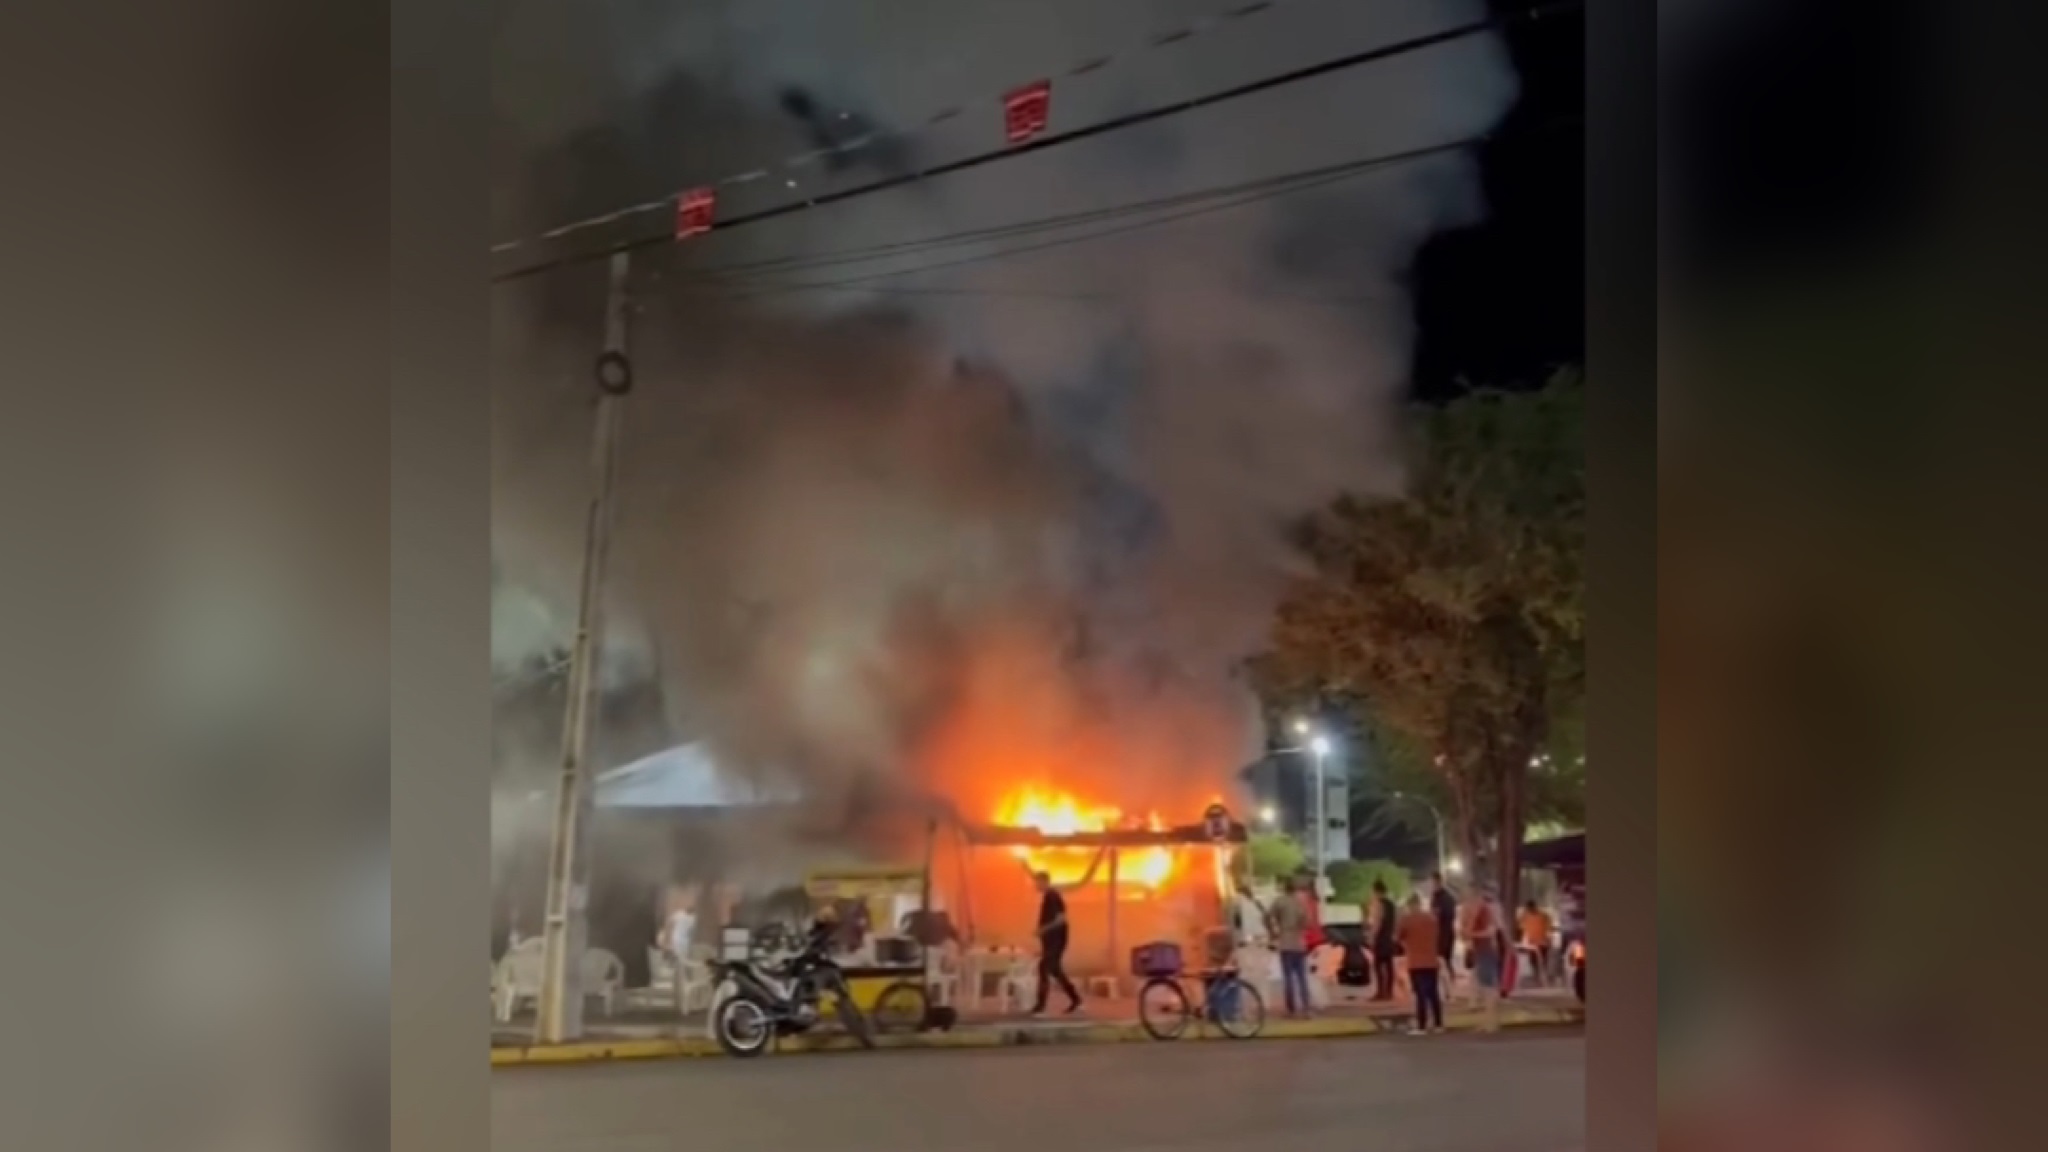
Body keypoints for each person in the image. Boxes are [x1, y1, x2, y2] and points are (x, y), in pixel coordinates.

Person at [1022, 851, 1106, 1017]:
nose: (1035, 885)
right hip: (1052, 942)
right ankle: (1076, 1000)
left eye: (1037, 882)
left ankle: (1040, 1007)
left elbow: (1060, 920)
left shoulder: (1052, 896)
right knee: (1055, 971)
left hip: (1057, 942)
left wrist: (1042, 930)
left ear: (1044, 882)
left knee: (1044, 968)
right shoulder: (1048, 896)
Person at [1265, 876, 1315, 1018]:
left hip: (1285, 943)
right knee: (1302, 977)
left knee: (1288, 978)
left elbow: (1267, 917)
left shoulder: (1279, 902)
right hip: (1299, 944)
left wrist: (1272, 932)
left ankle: (1291, 1009)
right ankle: (1306, 1008)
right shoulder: (1300, 903)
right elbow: (1308, 923)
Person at [1395, 893, 1444, 1035]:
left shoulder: (1407, 919)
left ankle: (1421, 1025)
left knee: (1420, 994)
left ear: (1410, 905)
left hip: (1416, 961)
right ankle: (1438, 1024)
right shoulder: (1431, 919)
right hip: (1431, 960)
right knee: (1433, 993)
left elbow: (1398, 937)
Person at [1460, 885, 1503, 1031]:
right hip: (1481, 951)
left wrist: (1471, 934)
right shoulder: (1479, 911)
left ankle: (1491, 1023)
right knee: (1485, 988)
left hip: (1486, 950)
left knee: (1489, 988)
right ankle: (1488, 1022)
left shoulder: (1484, 910)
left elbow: (1491, 931)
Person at [1368, 880, 1399, 1000]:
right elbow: (1395, 922)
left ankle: (1381, 991)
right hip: (1389, 937)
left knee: (1378, 965)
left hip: (1381, 938)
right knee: (1389, 965)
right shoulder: (1391, 905)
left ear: (1377, 891)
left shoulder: (1379, 904)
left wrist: (1372, 937)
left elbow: (1378, 922)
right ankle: (1389, 992)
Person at [1429, 872, 1459, 994]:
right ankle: (1448, 987)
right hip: (1441, 932)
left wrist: (1435, 915)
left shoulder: (1446, 898)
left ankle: (1449, 988)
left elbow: (1442, 915)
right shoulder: (1437, 896)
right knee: (1444, 960)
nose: (1433, 885)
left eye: (1434, 882)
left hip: (1444, 933)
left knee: (1443, 960)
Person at [1519, 900, 1555, 987]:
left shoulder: (1544, 915)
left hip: (1543, 943)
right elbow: (1523, 928)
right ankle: (1536, 978)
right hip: (1532, 943)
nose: (1530, 910)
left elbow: (1549, 928)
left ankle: (1543, 979)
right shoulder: (1525, 916)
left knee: (1543, 961)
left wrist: (1549, 939)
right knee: (1533, 962)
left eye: (1531, 908)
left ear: (1535, 906)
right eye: (1528, 909)